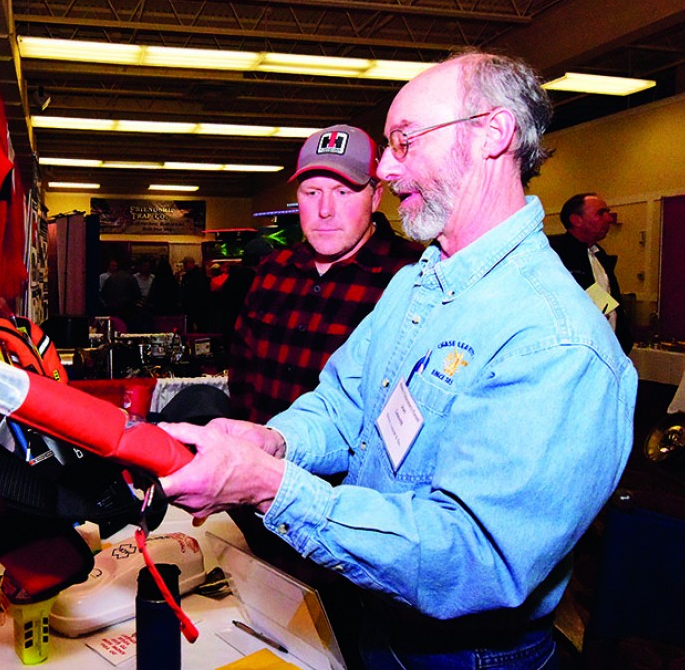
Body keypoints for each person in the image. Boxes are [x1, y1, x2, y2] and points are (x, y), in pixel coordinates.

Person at [160, 51, 637, 669]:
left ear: (493, 134)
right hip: (376, 623)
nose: (385, 167)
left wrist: (270, 487)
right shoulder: (420, 283)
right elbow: (344, 406)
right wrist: (269, 442)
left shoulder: (555, 341)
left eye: (404, 142)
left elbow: (471, 559)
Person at [229, 123, 423, 424]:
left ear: (374, 198)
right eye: (312, 192)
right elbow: (241, 373)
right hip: (259, 461)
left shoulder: (412, 276)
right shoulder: (273, 270)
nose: (325, 210)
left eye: (343, 192)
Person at [549, 193, 634, 353]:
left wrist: (622, 337)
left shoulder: (598, 255)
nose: (609, 219)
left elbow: (607, 305)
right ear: (576, 220)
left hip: (608, 349)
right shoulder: (555, 256)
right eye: (601, 213)